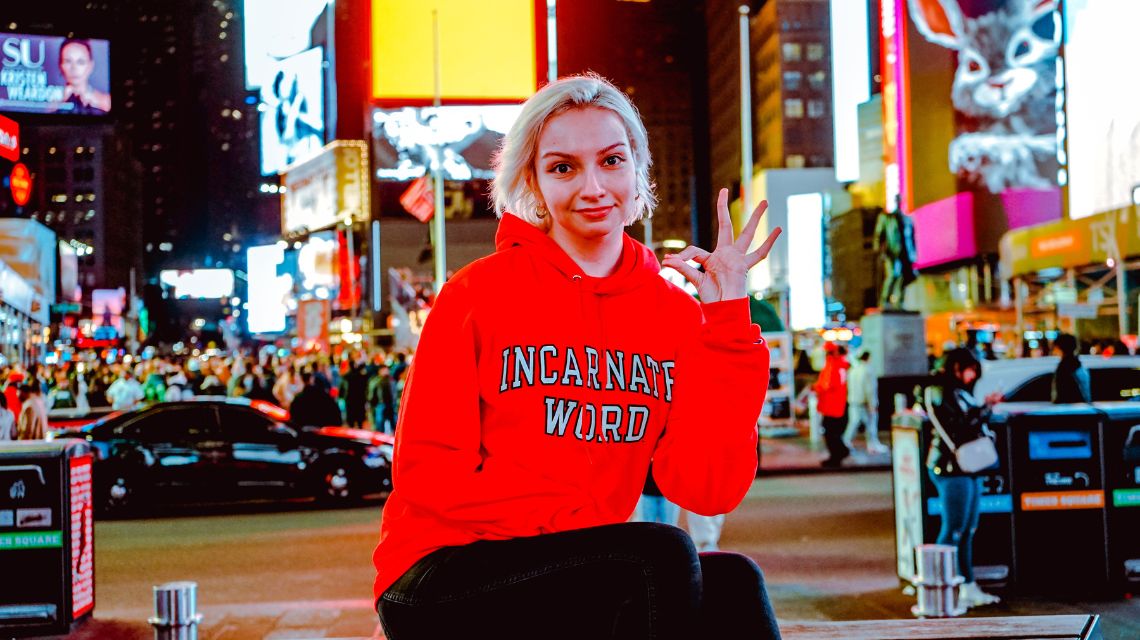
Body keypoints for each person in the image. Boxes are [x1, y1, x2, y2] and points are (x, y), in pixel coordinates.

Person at [372, 74, 783, 640]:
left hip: (583, 566)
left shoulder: (674, 315)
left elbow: (706, 489)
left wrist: (728, 327)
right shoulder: (476, 294)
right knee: (658, 554)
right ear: (533, 182)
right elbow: (430, 475)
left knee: (733, 580)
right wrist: (580, 527)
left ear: (638, 171)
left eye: (612, 161)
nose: (593, 187)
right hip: (441, 571)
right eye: (563, 167)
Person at [924, 348, 1002, 608]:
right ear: (957, 368)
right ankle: (943, 589)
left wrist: (984, 408)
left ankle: (965, 586)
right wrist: (986, 408)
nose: (973, 375)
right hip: (952, 467)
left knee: (966, 529)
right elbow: (959, 427)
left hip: (964, 466)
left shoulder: (955, 391)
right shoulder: (940, 391)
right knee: (954, 529)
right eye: (971, 369)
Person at [843, 350, 887, 454]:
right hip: (865, 403)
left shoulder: (853, 370)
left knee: (853, 423)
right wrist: (872, 404)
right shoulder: (867, 370)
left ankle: (845, 442)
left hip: (853, 402)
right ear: (868, 358)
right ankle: (872, 445)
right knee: (871, 425)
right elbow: (870, 389)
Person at [814, 343, 850, 467]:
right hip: (837, 405)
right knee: (833, 432)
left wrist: (816, 388)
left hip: (832, 406)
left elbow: (827, 384)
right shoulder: (841, 365)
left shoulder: (833, 365)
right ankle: (840, 452)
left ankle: (837, 455)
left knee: (830, 432)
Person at [55, 39, 111, 115]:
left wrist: (98, 103)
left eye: (80, 62)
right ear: (60, 65)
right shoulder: (47, 103)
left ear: (91, 66)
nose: (74, 68)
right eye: (68, 61)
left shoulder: (106, 102)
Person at [1051, 333, 1090, 404]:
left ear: (1061, 348)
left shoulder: (1065, 369)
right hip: (1082, 407)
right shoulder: (1078, 366)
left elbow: (1063, 395)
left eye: (1055, 348)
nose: (1054, 352)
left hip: (1070, 408)